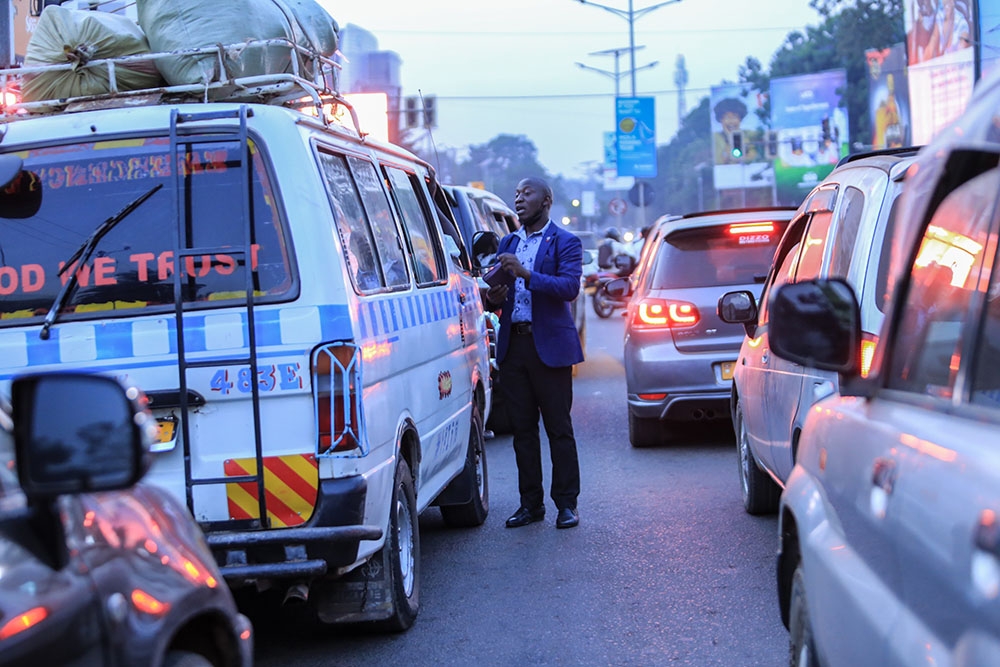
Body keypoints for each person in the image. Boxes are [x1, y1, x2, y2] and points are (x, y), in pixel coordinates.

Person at [485, 176, 585, 530]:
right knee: (523, 432)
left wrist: (526, 273)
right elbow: (495, 296)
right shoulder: (508, 241)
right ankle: (531, 505)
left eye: (527, 193)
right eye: (516, 194)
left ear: (546, 201)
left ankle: (566, 505)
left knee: (559, 429)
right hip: (516, 347)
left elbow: (569, 287)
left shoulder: (565, 242)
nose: (519, 199)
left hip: (551, 348)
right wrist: (494, 298)